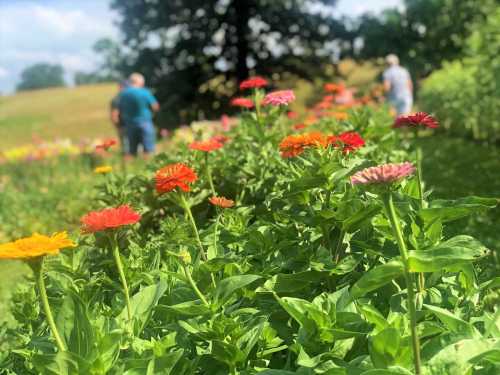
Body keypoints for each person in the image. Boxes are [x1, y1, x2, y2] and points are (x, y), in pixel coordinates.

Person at [117, 73, 160, 157]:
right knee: (148, 150)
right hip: (145, 123)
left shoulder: (123, 94)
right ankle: (146, 169)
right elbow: (155, 107)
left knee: (131, 152)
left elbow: (119, 110)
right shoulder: (144, 92)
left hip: (129, 125)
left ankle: (131, 169)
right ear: (140, 82)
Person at [110, 80, 129, 154]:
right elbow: (114, 115)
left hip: (126, 125)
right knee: (126, 146)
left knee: (127, 145)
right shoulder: (117, 99)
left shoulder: (118, 98)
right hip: (123, 125)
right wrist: (118, 126)